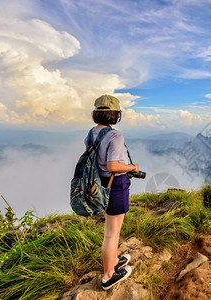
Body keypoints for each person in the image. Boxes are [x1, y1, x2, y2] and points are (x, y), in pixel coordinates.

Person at [86, 94, 140, 290]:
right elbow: (112, 165)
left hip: (100, 185)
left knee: (112, 230)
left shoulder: (92, 133)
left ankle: (114, 260)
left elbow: (94, 160)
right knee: (112, 234)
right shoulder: (116, 136)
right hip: (115, 185)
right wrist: (132, 167)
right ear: (115, 115)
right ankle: (108, 276)